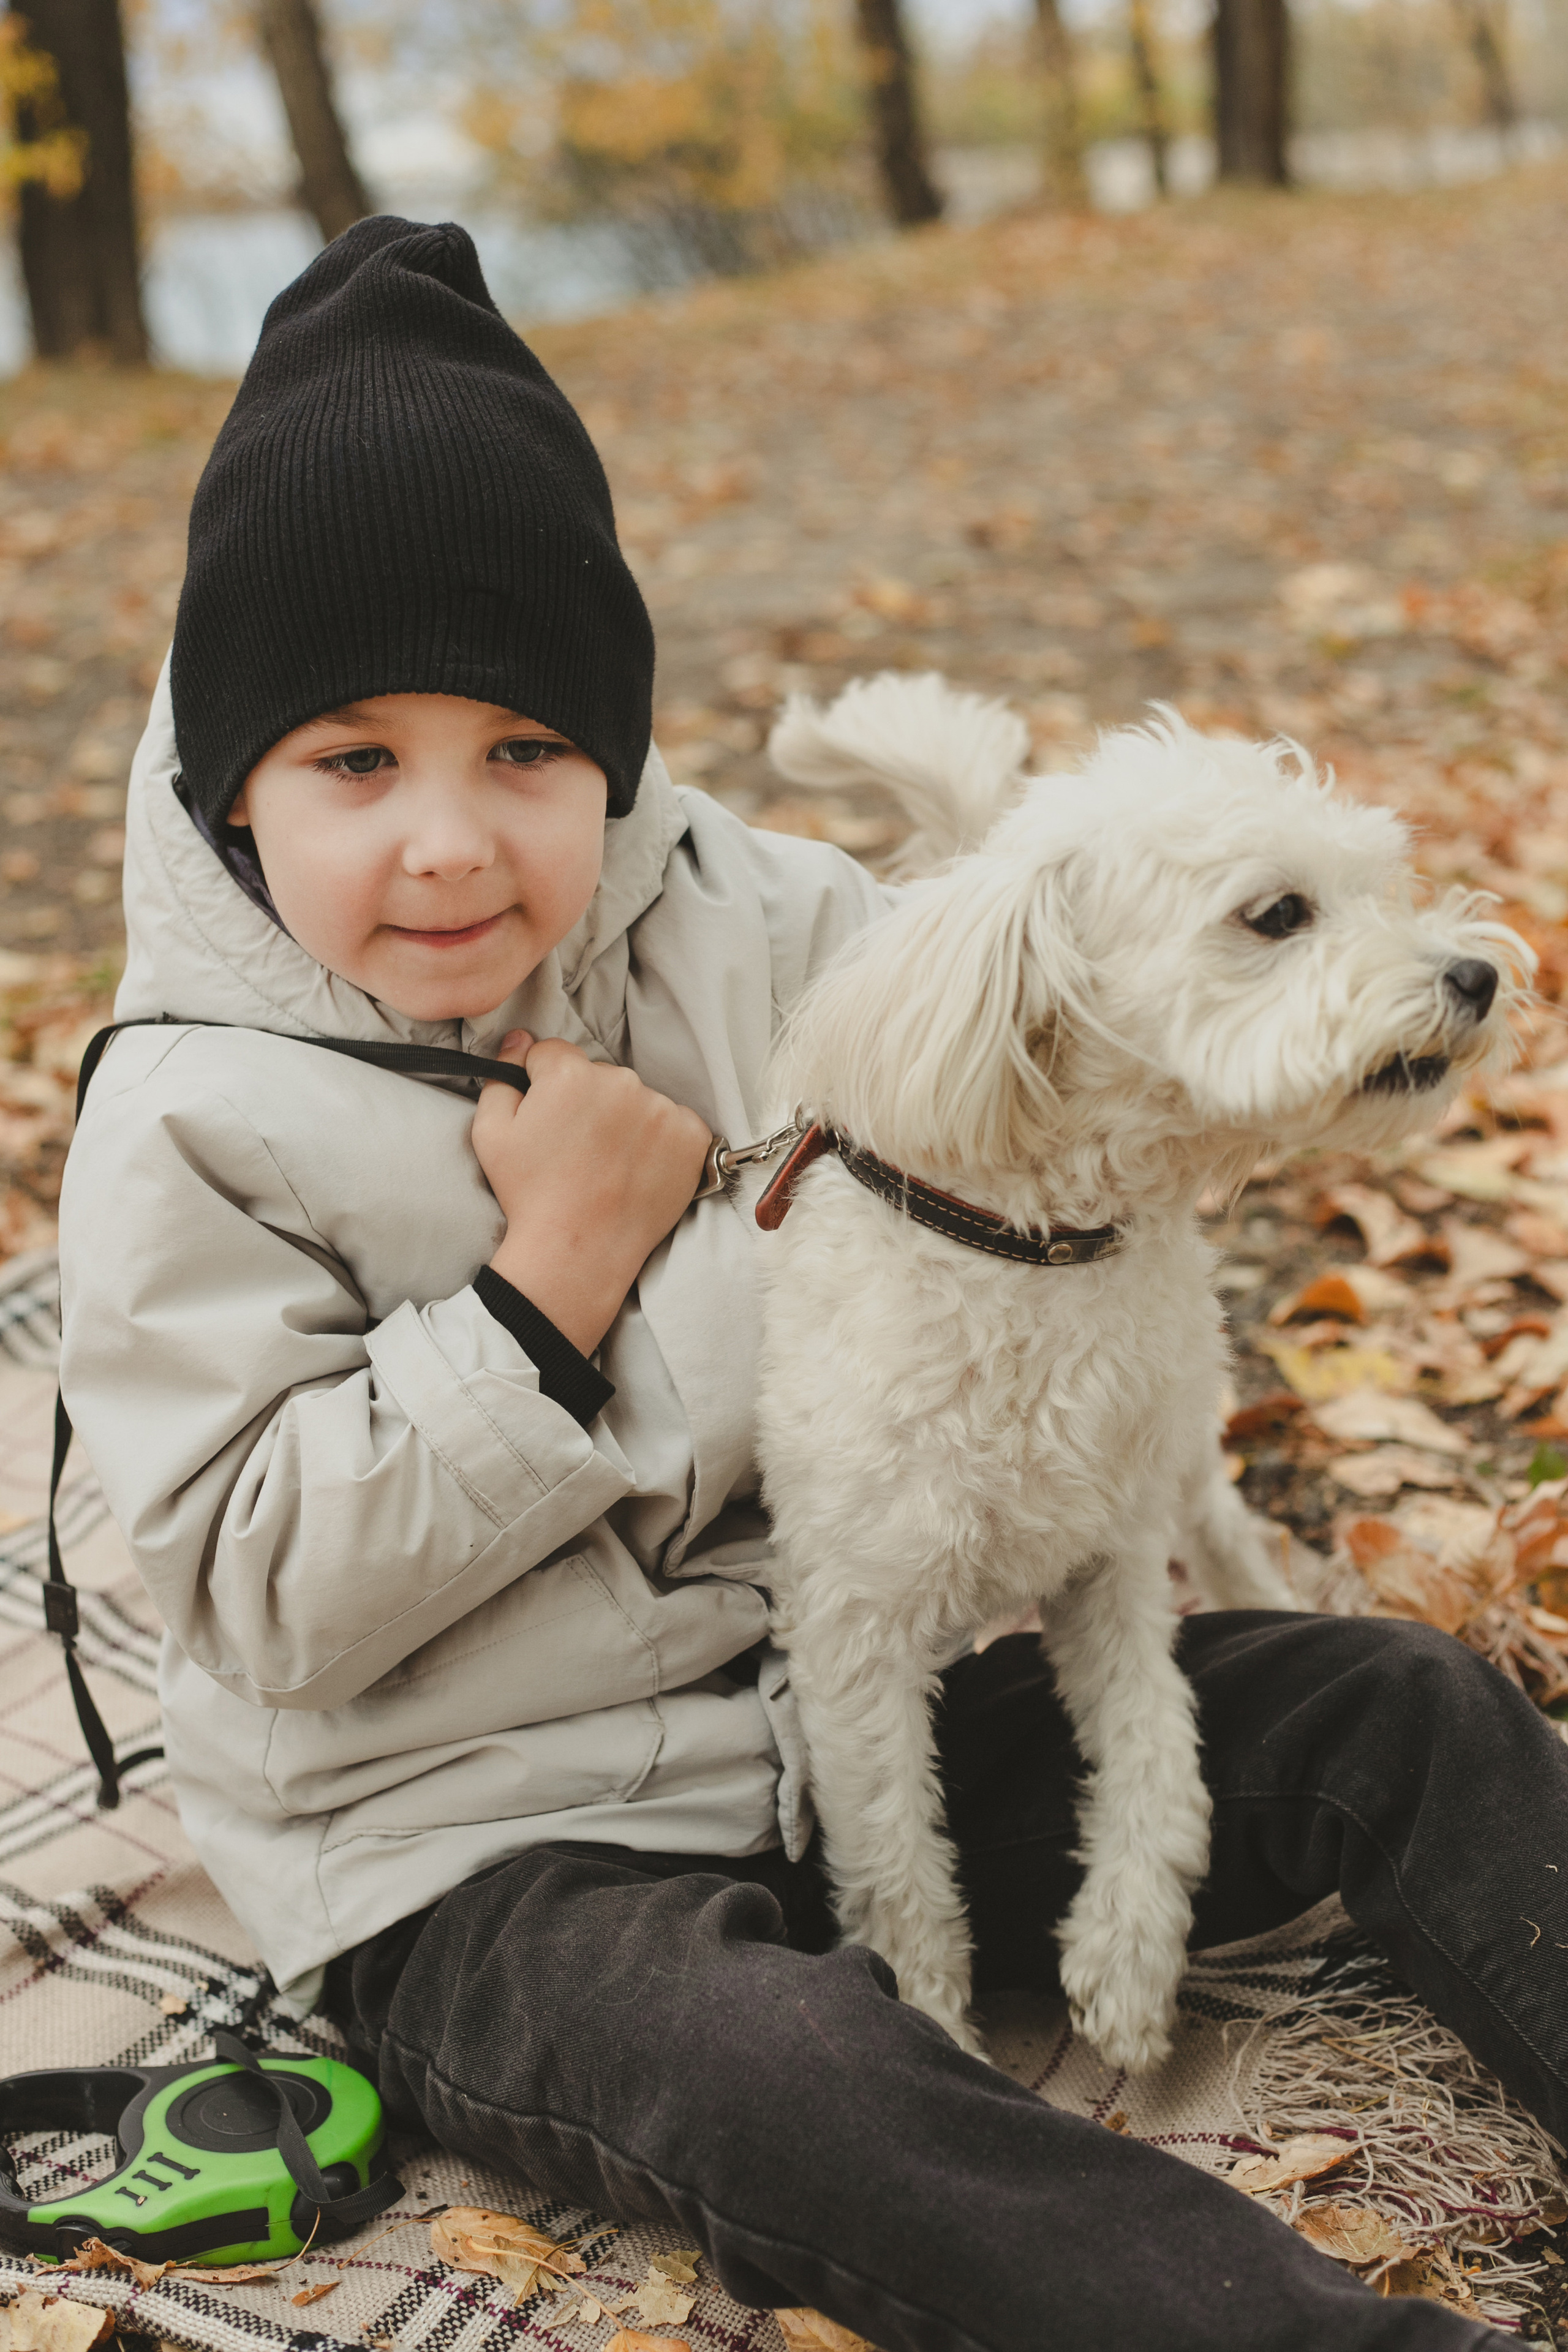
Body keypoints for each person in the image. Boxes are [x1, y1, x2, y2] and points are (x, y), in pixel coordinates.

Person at [58, 216, 1565, 2352]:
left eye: (526, 752)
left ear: (614, 750)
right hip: (492, 1855)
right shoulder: (191, 1120)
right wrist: (542, 1293)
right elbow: (261, 1596)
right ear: (231, 791)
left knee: (1390, 1701)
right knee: (810, 2077)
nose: (453, 844)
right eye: (354, 762)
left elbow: (1058, 1044)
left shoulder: (768, 927)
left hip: (855, 1700)